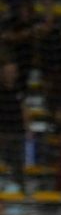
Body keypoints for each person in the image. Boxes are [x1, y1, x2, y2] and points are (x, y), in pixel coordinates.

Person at [36, 2, 61, 116]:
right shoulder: (39, 32)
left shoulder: (59, 31)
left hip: (59, 68)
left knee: (59, 92)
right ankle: (50, 111)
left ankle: (58, 112)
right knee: (49, 91)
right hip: (47, 67)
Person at [0, 62, 28, 193]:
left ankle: (20, 190)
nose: (10, 74)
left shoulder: (19, 89)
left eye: (12, 72)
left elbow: (24, 109)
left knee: (18, 163)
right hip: (2, 132)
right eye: (7, 72)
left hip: (17, 132)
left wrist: (27, 127)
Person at [2, 2, 36, 93]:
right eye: (23, 11)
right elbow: (5, 36)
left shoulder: (33, 23)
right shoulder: (13, 23)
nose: (24, 14)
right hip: (14, 58)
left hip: (26, 60)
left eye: (26, 11)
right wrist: (22, 35)